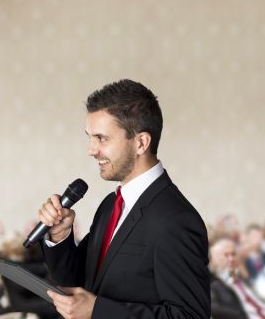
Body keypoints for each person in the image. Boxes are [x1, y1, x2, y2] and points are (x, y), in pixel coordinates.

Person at [38, 80, 210, 318]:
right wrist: (59, 236)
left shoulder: (176, 220)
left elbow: (189, 316)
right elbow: (80, 284)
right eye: (89, 137)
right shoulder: (110, 206)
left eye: (102, 138)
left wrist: (98, 310)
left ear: (140, 143)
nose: (91, 149)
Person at [210, 238, 265, 319]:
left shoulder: (240, 279)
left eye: (233, 254)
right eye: (226, 255)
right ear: (215, 259)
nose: (231, 259)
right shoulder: (213, 284)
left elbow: (256, 299)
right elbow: (213, 308)